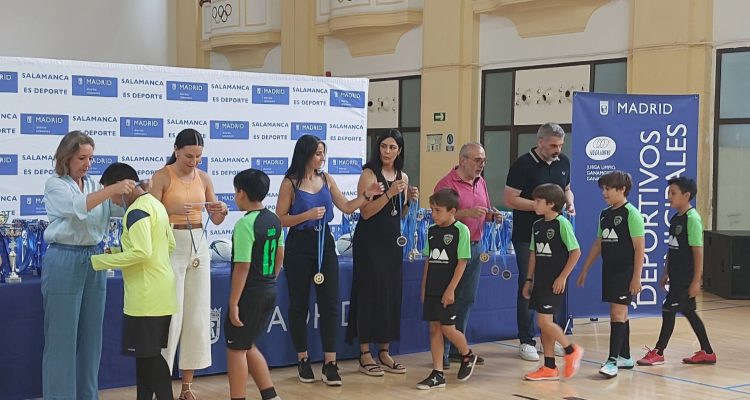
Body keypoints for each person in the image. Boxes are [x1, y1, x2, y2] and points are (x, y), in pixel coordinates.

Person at [275, 134, 382, 386]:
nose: (322, 158)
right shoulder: (290, 182)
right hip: (299, 245)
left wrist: (367, 196)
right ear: (306, 154)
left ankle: (330, 362)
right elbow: (280, 218)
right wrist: (306, 215)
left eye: (324, 152)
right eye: (318, 153)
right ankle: (302, 359)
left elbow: (346, 206)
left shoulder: (326, 179)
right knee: (299, 304)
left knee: (330, 305)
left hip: (325, 242)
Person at [41, 131, 135, 399]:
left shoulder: (95, 186)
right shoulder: (55, 184)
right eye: (82, 157)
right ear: (66, 157)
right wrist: (111, 189)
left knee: (91, 340)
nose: (87, 163)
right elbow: (76, 207)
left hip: (95, 259)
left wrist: (138, 191)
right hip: (64, 258)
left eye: (91, 158)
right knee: (62, 339)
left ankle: (88, 395)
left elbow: (117, 210)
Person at [150, 128, 229, 400]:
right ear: (175, 150)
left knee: (196, 316)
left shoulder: (204, 178)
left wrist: (221, 211)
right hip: (172, 242)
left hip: (199, 242)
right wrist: (170, 212)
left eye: (198, 157)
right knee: (171, 316)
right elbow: (147, 216)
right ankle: (161, 384)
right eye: (188, 156)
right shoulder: (162, 176)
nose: (193, 162)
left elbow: (215, 218)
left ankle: (187, 386)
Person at [90, 162, 176, 400]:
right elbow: (168, 245)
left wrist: (98, 261)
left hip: (145, 295)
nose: (111, 199)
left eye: (110, 192)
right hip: (161, 290)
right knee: (146, 356)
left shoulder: (136, 211)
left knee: (149, 357)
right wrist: (118, 250)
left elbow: (141, 252)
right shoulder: (156, 205)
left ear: (123, 187)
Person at [346, 129, 418, 376]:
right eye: (384, 147)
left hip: (391, 243)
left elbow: (400, 215)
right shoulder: (369, 174)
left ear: (399, 151)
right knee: (368, 293)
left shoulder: (403, 176)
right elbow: (365, 212)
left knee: (390, 293)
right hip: (370, 242)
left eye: (392, 148)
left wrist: (408, 201)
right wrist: (389, 193)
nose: (387, 152)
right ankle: (365, 352)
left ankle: (384, 351)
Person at [505, 122, 574, 361]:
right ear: (540, 142)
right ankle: (526, 340)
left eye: (560, 145)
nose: (557, 150)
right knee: (529, 284)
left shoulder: (563, 162)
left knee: (554, 286)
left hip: (556, 237)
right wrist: (540, 208)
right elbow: (510, 198)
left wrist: (569, 202)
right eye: (553, 145)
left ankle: (551, 336)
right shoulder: (522, 165)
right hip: (528, 236)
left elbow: (566, 189)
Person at [637, 177, 716, 366]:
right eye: (668, 193)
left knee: (668, 310)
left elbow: (698, 252)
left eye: (673, 193)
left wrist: (697, 280)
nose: (669, 197)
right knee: (688, 311)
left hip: (686, 277)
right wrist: (666, 271)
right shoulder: (675, 218)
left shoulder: (692, 219)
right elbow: (672, 248)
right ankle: (707, 352)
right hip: (676, 274)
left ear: (686, 195)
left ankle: (659, 352)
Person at [434, 142, 499, 368]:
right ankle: (440, 354)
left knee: (466, 299)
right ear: (463, 160)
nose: (481, 165)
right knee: (448, 299)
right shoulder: (446, 184)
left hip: (475, 245)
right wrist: (465, 213)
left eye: (484, 160)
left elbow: (485, 211)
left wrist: (492, 217)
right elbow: (440, 217)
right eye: (477, 160)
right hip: (452, 249)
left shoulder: (481, 183)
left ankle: (456, 348)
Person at [577, 171, 644, 378]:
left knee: (617, 314)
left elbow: (640, 248)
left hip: (625, 272)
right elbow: (599, 243)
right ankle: (625, 356)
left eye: (608, 188)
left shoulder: (631, 213)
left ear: (622, 189)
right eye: (602, 189)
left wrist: (636, 277)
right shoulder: (604, 214)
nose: (604, 193)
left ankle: (612, 360)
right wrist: (585, 268)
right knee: (620, 314)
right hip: (610, 270)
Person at [225, 169, 284, 400]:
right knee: (247, 344)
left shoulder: (245, 224)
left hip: (249, 294)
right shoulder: (274, 219)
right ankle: (270, 396)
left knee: (236, 349)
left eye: (235, 191)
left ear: (241, 193)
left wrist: (233, 302)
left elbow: (242, 266)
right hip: (269, 290)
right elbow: (280, 254)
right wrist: (271, 280)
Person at [416, 189, 479, 390]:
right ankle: (437, 373)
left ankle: (467, 354)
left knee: (448, 329)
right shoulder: (432, 230)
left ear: (452, 211)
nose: (433, 214)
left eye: (438, 210)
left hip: (449, 290)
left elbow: (462, 263)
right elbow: (429, 260)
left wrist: (451, 289)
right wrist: (424, 287)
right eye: (432, 210)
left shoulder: (461, 231)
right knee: (434, 328)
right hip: (433, 288)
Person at [521, 184, 583, 381]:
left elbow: (576, 252)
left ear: (551, 204)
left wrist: (563, 276)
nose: (534, 204)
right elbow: (534, 254)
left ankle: (571, 349)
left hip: (554, 282)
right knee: (544, 326)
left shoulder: (562, 223)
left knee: (544, 322)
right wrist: (529, 280)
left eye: (538, 201)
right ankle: (549, 366)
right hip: (540, 281)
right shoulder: (537, 226)